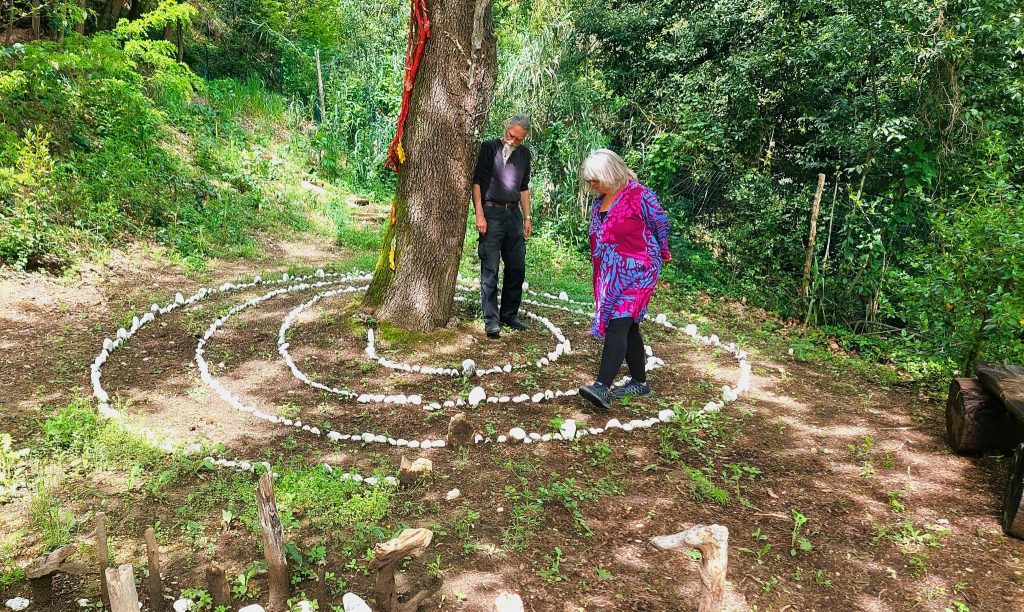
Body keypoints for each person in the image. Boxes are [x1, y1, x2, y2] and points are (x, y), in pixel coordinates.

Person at [577, 149, 671, 412]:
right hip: (612, 274)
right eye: (589, 181)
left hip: (640, 270)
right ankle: (640, 382)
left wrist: (662, 250)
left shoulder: (638, 195)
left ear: (611, 174)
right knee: (628, 326)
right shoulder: (600, 201)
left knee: (618, 323)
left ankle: (602, 386)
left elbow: (660, 222)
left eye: (595, 180)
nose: (592, 185)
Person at [471, 115, 534, 339]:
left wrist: (527, 217)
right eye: (511, 136)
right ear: (506, 129)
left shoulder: (525, 155)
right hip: (491, 212)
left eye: (519, 139)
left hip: (514, 214)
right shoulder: (488, 148)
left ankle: (509, 314)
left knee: (517, 266)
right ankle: (491, 320)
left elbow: (524, 187)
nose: (513, 141)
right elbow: (476, 181)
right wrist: (479, 213)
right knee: (491, 267)